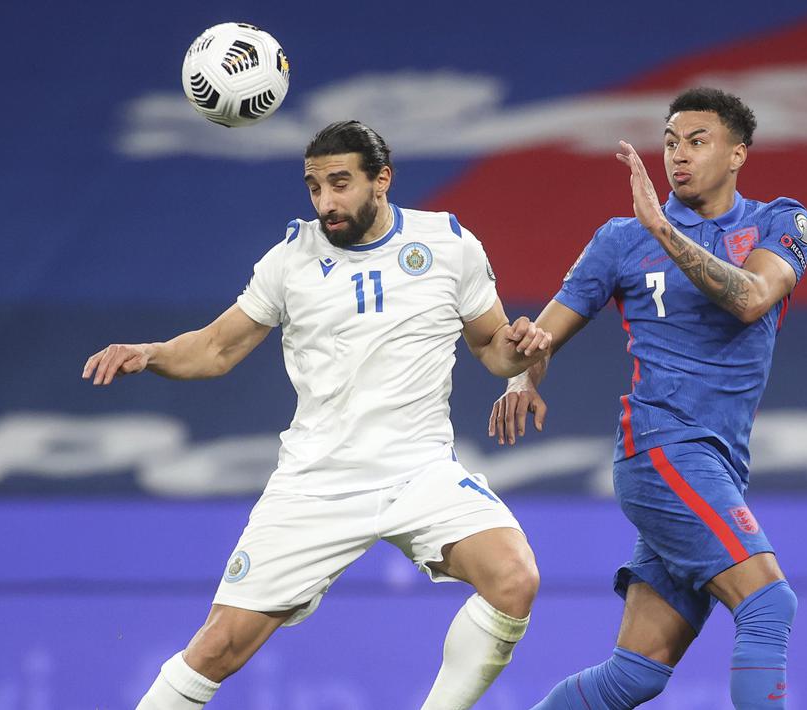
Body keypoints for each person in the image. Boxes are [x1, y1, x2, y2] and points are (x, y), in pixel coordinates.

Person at [83, 120, 551, 710]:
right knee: (219, 646)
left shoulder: (449, 246)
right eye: (313, 187)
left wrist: (524, 359)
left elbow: (491, 345)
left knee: (515, 578)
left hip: (419, 470)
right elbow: (215, 349)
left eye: (340, 183)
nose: (325, 203)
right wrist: (149, 353)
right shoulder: (289, 260)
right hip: (316, 482)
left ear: (382, 180)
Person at [488, 88, 807, 709]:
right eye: (669, 143)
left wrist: (663, 231)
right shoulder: (619, 239)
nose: (678, 156)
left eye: (697, 141)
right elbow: (543, 334)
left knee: (634, 674)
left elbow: (751, 299)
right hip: (662, 452)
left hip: (719, 463)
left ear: (739, 153)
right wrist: (521, 372)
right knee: (769, 602)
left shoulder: (780, 220)